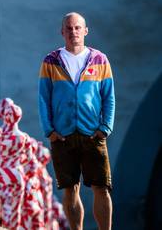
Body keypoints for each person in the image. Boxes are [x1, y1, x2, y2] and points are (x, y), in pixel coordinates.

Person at [38, 12, 115, 230]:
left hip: (93, 134)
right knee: (70, 188)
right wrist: (49, 130)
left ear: (85, 31)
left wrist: (105, 127)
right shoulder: (51, 61)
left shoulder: (99, 60)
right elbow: (44, 98)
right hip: (62, 135)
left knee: (102, 187)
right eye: (69, 28)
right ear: (62, 32)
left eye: (77, 28)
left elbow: (109, 96)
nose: (74, 32)